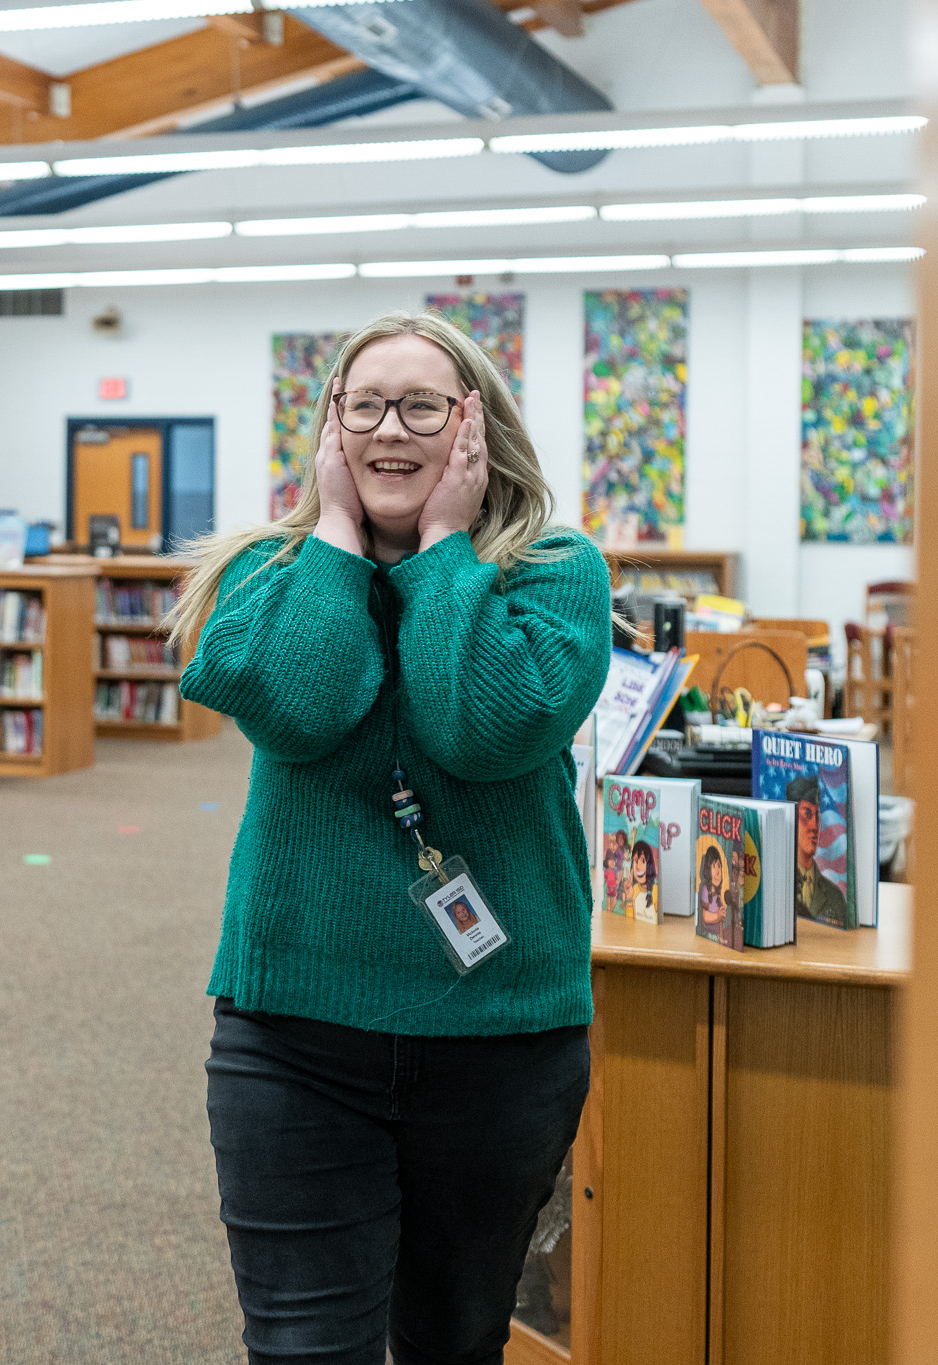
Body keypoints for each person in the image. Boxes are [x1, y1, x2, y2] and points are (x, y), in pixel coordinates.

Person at [164, 310, 611, 1365]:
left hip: (499, 1040)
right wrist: (331, 536)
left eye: (422, 405)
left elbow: (482, 726)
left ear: (475, 425)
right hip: (293, 1038)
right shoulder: (264, 578)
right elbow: (306, 708)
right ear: (329, 428)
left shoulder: (552, 571)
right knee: (302, 1345)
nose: (389, 430)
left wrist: (444, 547)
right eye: (362, 405)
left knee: (453, 1344)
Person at [786, 774, 850, 928]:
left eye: (817, 817)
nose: (814, 826)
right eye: (807, 814)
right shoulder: (776, 883)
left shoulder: (835, 897)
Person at [629, 839, 658, 921]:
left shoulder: (655, 891)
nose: (638, 866)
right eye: (635, 861)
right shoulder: (634, 889)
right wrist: (628, 901)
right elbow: (630, 918)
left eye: (643, 861)